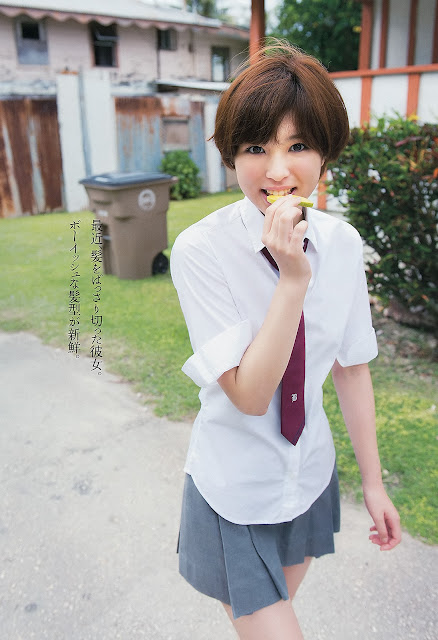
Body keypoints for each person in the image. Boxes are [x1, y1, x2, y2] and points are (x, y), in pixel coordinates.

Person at [170, 41, 401, 639]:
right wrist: (293, 278)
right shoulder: (201, 250)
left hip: (308, 477)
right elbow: (249, 395)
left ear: (325, 156)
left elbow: (351, 367)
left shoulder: (342, 244)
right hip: (233, 491)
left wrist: (373, 485)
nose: (277, 171)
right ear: (232, 155)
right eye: (256, 148)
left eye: (298, 146)